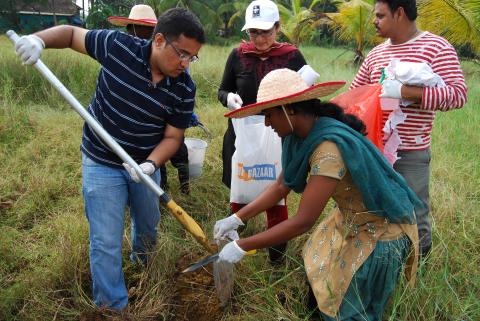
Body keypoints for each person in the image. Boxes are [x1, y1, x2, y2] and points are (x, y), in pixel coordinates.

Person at [14, 8, 205, 309]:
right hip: (101, 161)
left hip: (145, 165)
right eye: (182, 53)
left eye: (192, 57)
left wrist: (150, 165)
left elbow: (173, 138)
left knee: (147, 228)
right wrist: (37, 41)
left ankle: (143, 269)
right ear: (158, 41)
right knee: (104, 242)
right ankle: (113, 308)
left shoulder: (184, 86)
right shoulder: (118, 48)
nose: (185, 63)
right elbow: (71, 34)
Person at [213, 68, 423, 320]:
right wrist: (238, 218)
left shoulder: (327, 149)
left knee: (350, 309)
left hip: (380, 229)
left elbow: (303, 221)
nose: (267, 123)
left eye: (269, 115)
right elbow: (282, 186)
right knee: (319, 273)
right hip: (351, 217)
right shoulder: (300, 134)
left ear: (288, 109)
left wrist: (241, 246)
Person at [350, 0, 467, 257]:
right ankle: (382, 264)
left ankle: (416, 270)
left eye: (380, 15)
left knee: (415, 214)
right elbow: (354, 93)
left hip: (411, 151)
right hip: (375, 149)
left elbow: (458, 95)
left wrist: (406, 92)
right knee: (376, 210)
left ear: (399, 13)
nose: (374, 21)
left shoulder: (436, 48)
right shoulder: (376, 54)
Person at [217, 0, 309, 264]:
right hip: (242, 134)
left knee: (276, 194)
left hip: (278, 135)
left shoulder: (291, 56)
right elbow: (222, 90)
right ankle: (234, 245)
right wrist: (229, 98)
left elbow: (306, 91)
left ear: (278, 28)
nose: (259, 38)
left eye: (266, 32)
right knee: (241, 190)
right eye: (253, 32)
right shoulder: (238, 55)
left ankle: (276, 259)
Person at [108, 4, 194, 195]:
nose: (142, 36)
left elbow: (182, 88)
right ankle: (158, 189)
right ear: (130, 29)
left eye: (149, 30)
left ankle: (184, 186)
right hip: (136, 124)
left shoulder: (169, 55)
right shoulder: (123, 53)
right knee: (151, 155)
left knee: (176, 148)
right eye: (139, 30)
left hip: (166, 114)